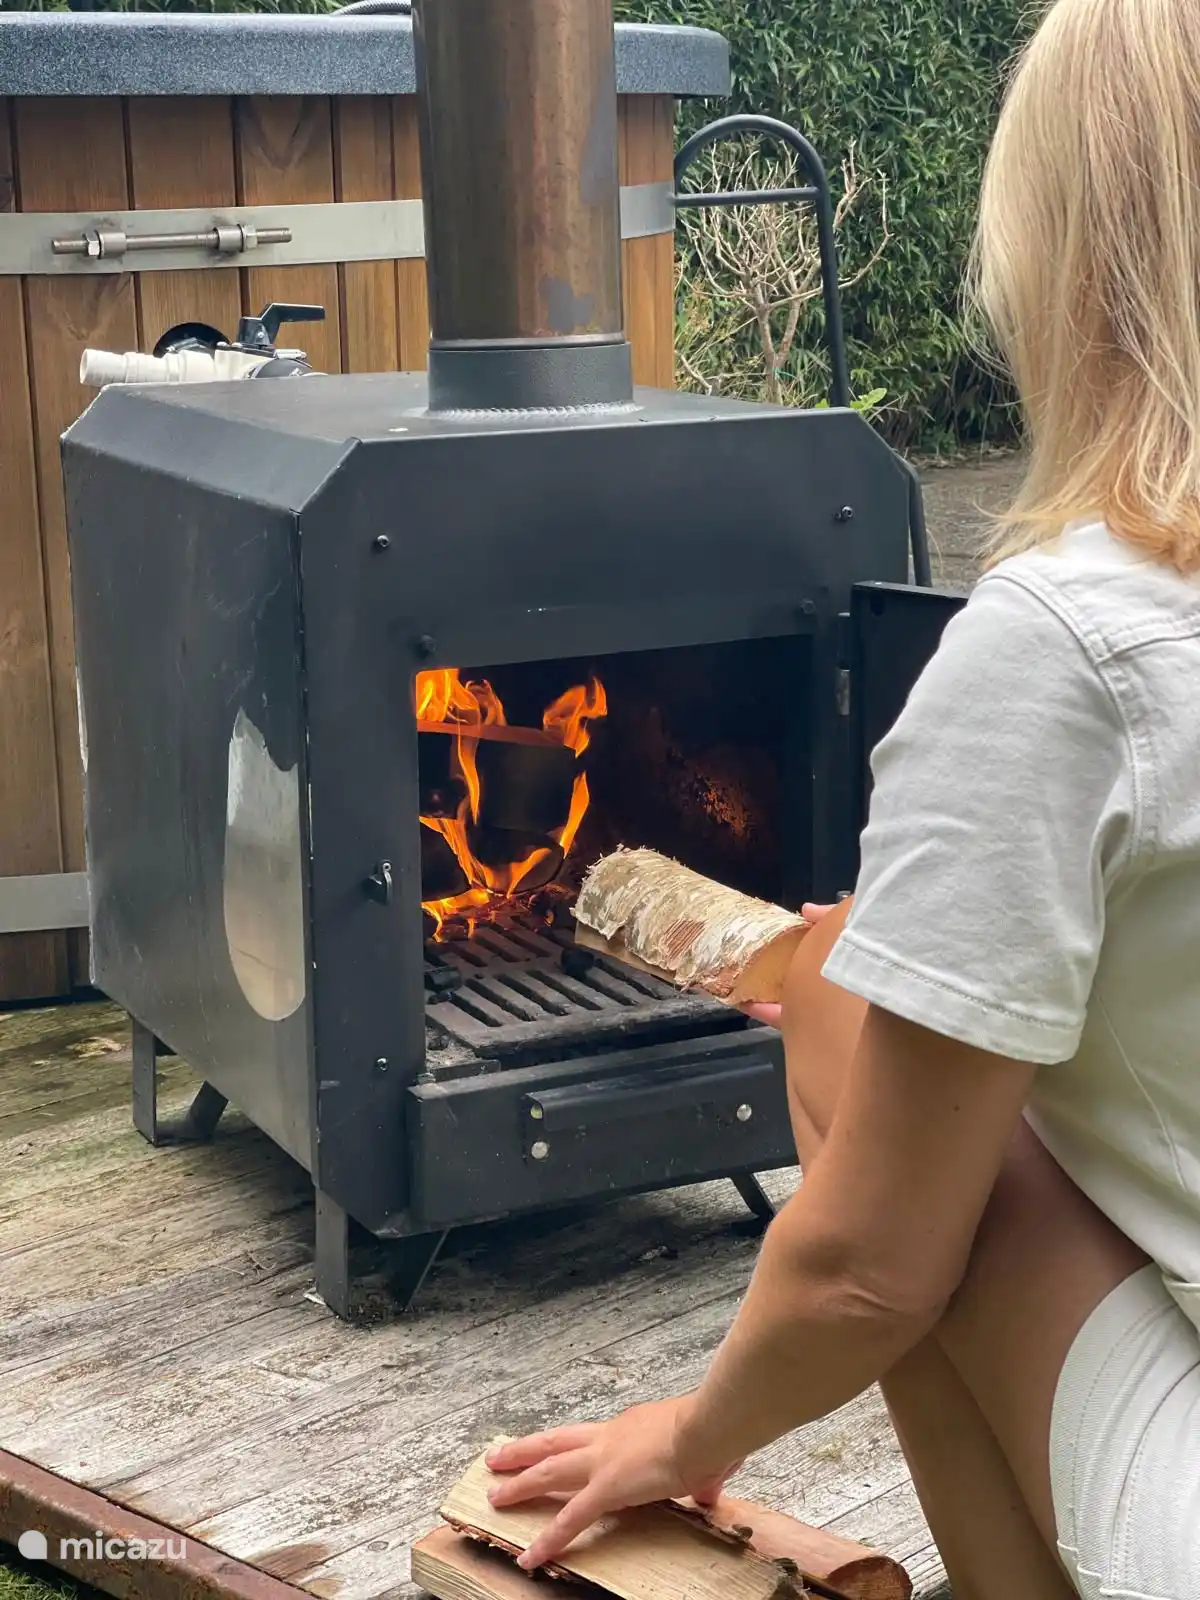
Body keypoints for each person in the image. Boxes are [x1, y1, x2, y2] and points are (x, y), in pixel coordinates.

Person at [484, 1, 1200, 1595]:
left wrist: (686, 1434)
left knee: (845, 1028)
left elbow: (872, 1271)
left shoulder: (1072, 646)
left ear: (1069, 258)